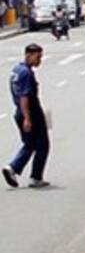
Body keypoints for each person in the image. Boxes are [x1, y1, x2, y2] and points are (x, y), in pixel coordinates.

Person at [3, 43, 49, 188]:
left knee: (30, 144)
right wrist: (28, 118)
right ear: (28, 55)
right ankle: (36, 177)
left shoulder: (17, 70)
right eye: (37, 57)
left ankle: (12, 168)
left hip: (20, 112)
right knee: (42, 144)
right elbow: (24, 97)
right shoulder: (26, 73)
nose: (39, 60)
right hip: (30, 112)